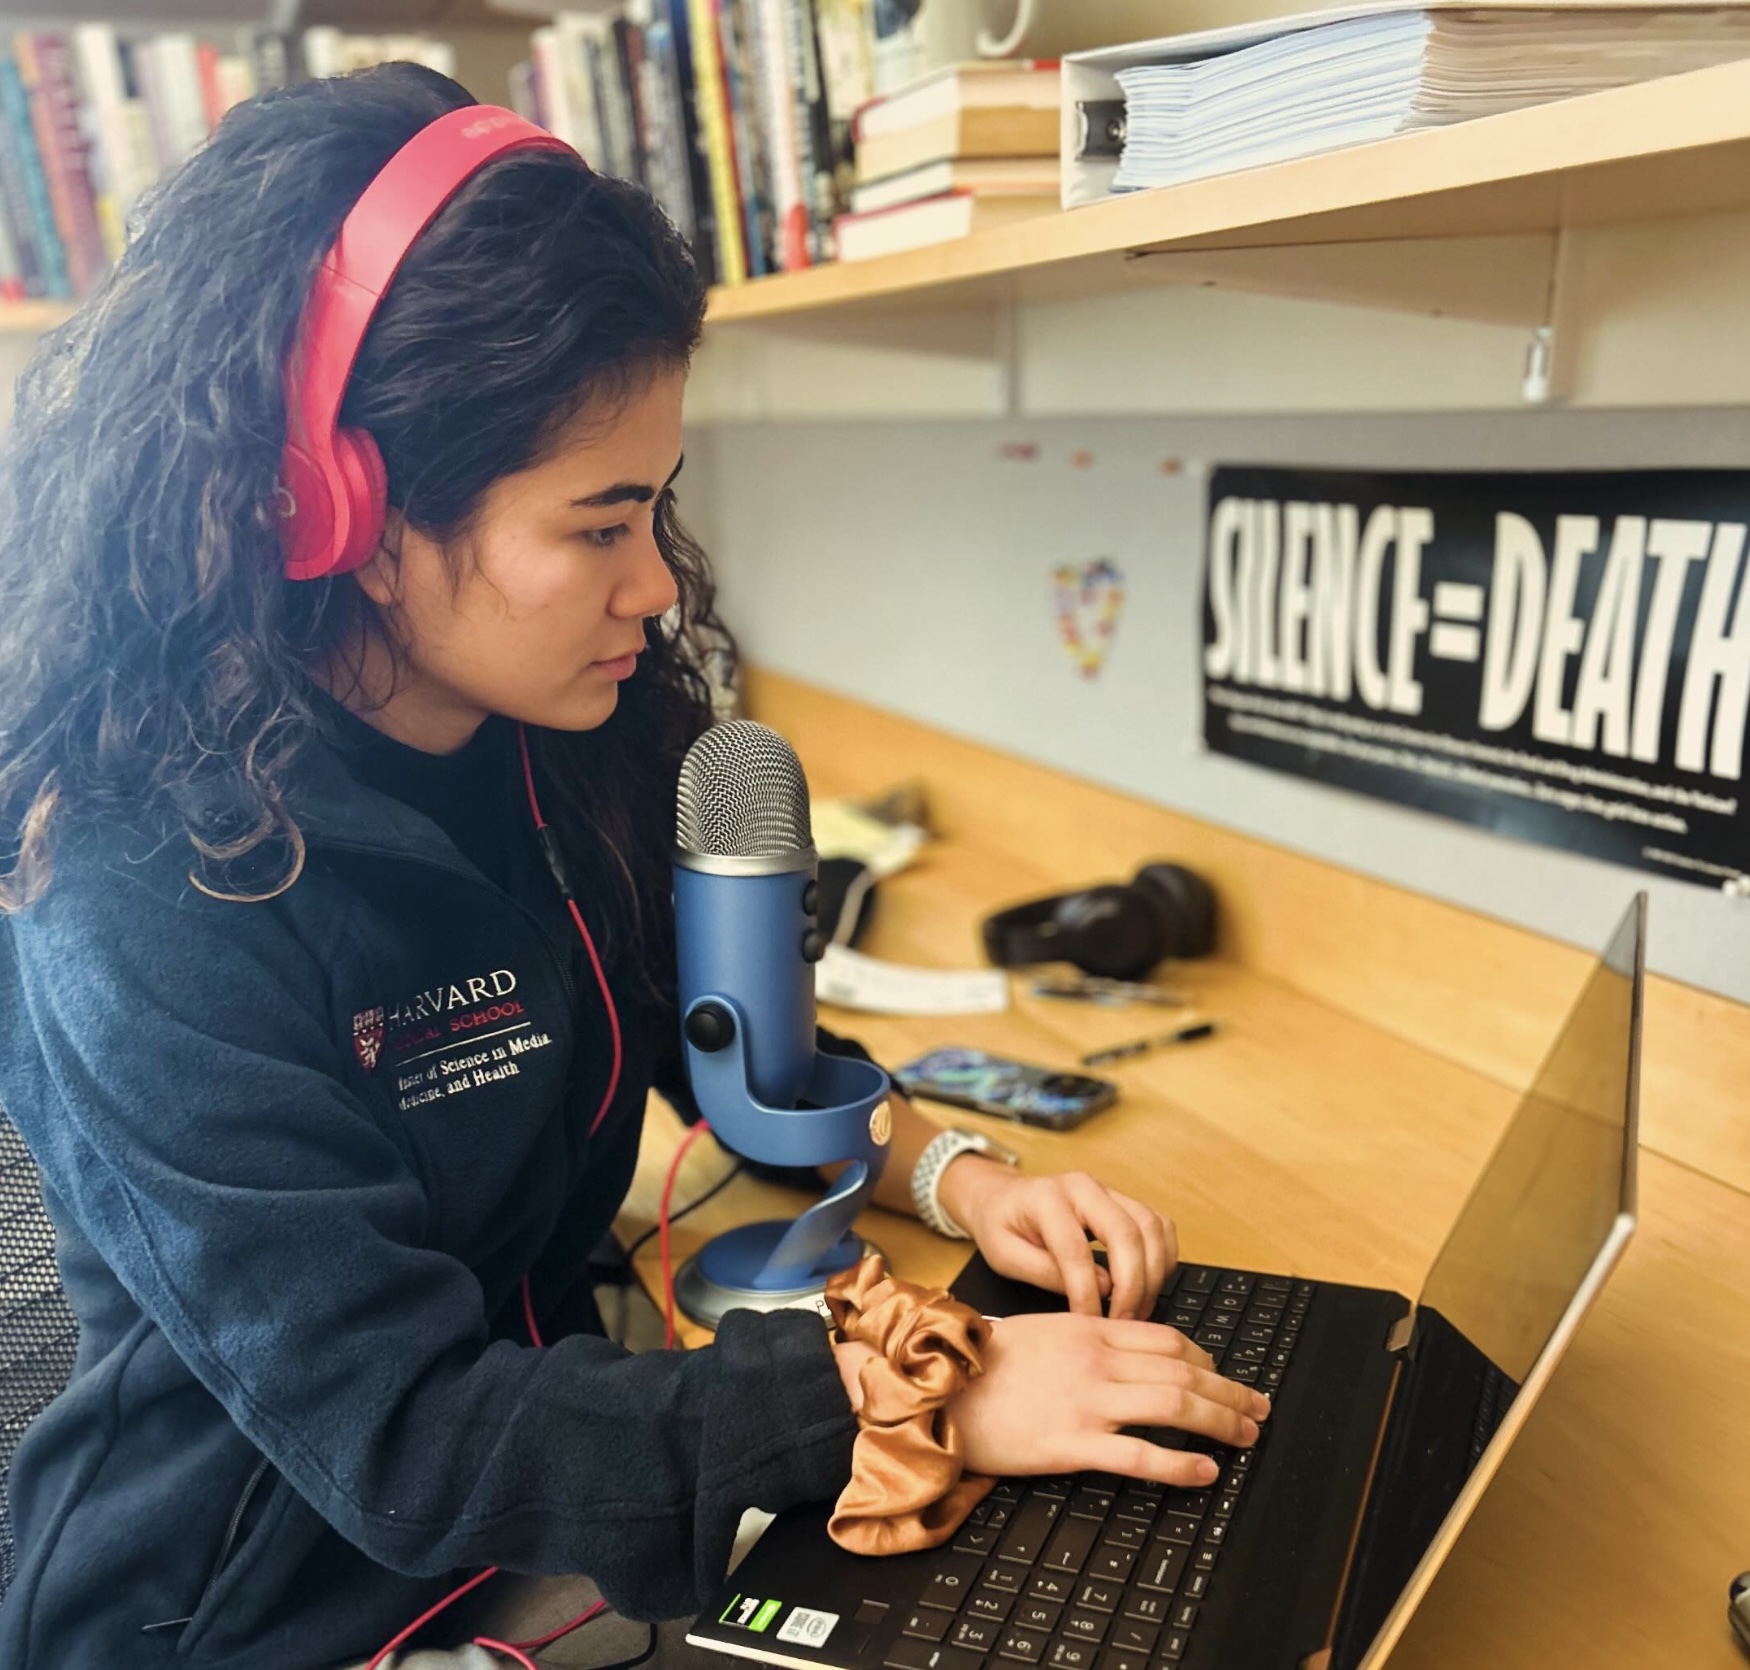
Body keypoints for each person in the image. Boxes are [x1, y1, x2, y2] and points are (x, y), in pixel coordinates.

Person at [0, 65, 1267, 1670]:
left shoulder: (566, 737)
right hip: (268, 1609)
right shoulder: (133, 887)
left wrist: (966, 1182)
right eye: (597, 524)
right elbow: (403, 1437)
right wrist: (912, 1386)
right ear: (345, 510)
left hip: (548, 1512)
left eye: (658, 508)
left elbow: (722, 1035)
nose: (656, 582)